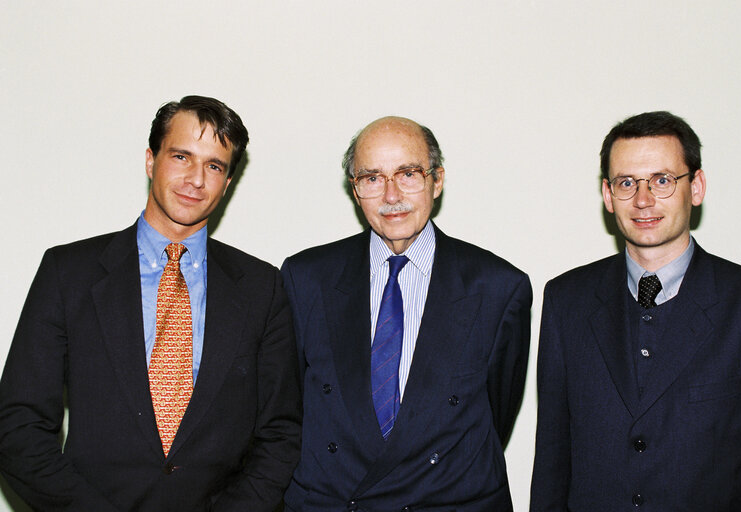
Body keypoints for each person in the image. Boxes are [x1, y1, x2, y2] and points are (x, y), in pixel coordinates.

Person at [0, 95, 302, 511]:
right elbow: (19, 427)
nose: (196, 179)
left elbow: (281, 434)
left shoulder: (261, 286)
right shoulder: (68, 272)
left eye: (214, 165)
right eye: (181, 156)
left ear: (228, 182)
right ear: (150, 160)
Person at [280, 116, 531, 511]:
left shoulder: (498, 287)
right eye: (372, 178)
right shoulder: (305, 278)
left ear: (437, 180)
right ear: (355, 190)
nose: (391, 194)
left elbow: (496, 412)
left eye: (408, 173)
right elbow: (290, 409)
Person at [530, 110, 741, 511]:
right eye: (627, 183)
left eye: (662, 180)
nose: (643, 199)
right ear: (607, 195)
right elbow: (553, 458)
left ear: (697, 187)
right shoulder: (566, 301)